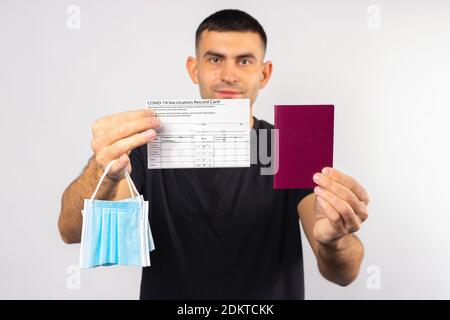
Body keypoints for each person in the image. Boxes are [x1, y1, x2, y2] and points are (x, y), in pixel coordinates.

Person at [58, 9, 370, 299]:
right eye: (215, 59)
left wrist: (335, 240)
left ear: (264, 73)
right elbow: (72, 231)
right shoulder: (146, 148)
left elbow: (344, 273)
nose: (229, 75)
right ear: (194, 69)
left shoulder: (287, 148)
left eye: (244, 61)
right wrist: (101, 169)